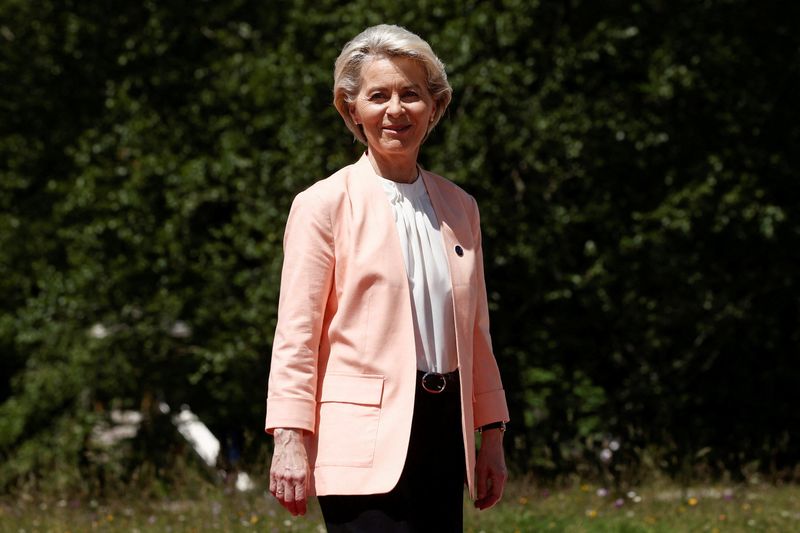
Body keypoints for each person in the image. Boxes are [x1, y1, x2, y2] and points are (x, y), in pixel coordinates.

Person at [265, 24, 510, 532]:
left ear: (434, 107)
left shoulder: (461, 207)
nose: (395, 110)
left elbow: (477, 335)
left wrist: (493, 436)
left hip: (446, 435)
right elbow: (296, 335)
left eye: (411, 95)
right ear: (352, 110)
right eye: (378, 96)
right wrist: (289, 437)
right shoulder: (322, 205)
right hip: (362, 439)